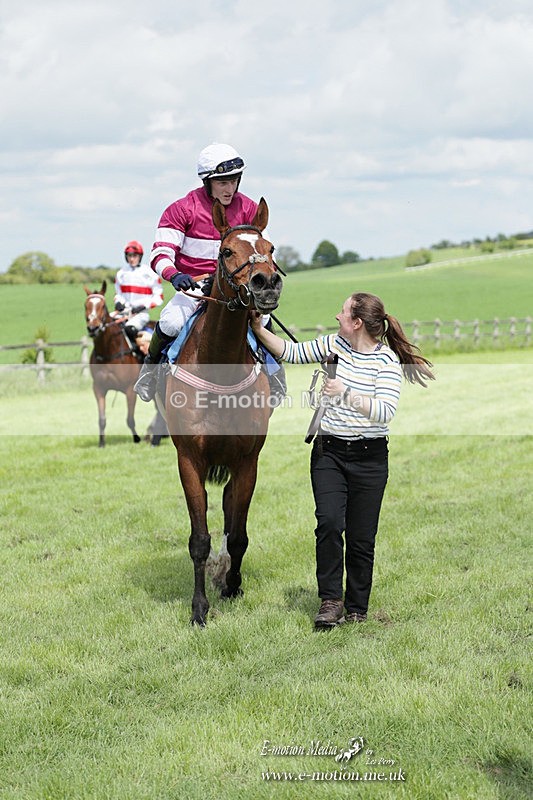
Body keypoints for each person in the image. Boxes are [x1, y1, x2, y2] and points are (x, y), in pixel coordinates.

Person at [251, 292, 434, 630]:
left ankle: (356, 607)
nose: (337, 317)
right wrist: (258, 328)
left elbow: (384, 412)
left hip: (370, 459)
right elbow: (290, 351)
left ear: (357, 322)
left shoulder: (387, 362)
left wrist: (344, 392)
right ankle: (330, 601)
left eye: (343, 312)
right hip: (328, 453)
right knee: (330, 523)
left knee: (362, 537)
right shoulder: (334, 344)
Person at [135, 142, 279, 402]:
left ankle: (275, 376)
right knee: (170, 321)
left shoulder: (247, 208)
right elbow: (159, 255)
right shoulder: (181, 209)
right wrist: (175, 275)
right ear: (207, 181)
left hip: (237, 289)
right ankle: (149, 373)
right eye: (222, 182)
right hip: (195, 287)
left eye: (234, 181)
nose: (230, 188)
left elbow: (265, 251)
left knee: (265, 321)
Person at [113, 240, 163, 344]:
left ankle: (139, 356)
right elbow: (118, 294)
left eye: (134, 256)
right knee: (103, 327)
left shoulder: (150, 273)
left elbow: (159, 297)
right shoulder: (120, 273)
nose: (131, 259)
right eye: (129, 256)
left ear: (140, 256)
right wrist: (118, 302)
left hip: (140, 314)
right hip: (124, 312)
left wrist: (143, 306)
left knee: (129, 329)